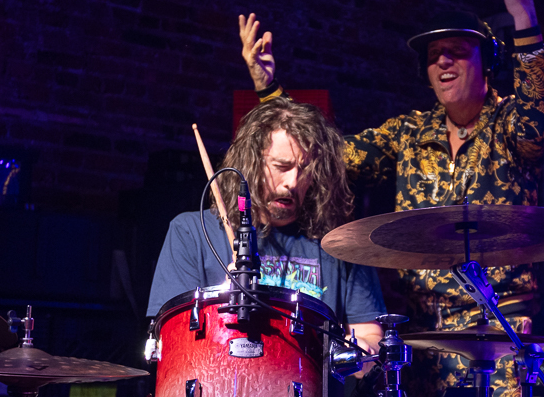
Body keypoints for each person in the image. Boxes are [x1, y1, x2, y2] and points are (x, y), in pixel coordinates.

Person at [237, 0, 544, 397]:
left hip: (500, 329)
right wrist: (271, 94)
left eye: (455, 51)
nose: (443, 61)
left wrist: (524, 16)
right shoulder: (409, 132)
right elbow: (325, 158)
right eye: (433, 56)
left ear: (487, 63)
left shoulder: (510, 125)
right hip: (420, 331)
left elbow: (540, 113)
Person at [147, 97, 385, 353]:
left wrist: (362, 349)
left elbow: (369, 335)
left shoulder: (341, 244)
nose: (292, 182)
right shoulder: (191, 232)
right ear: (251, 163)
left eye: (305, 169)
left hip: (311, 387)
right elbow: (171, 339)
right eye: (282, 167)